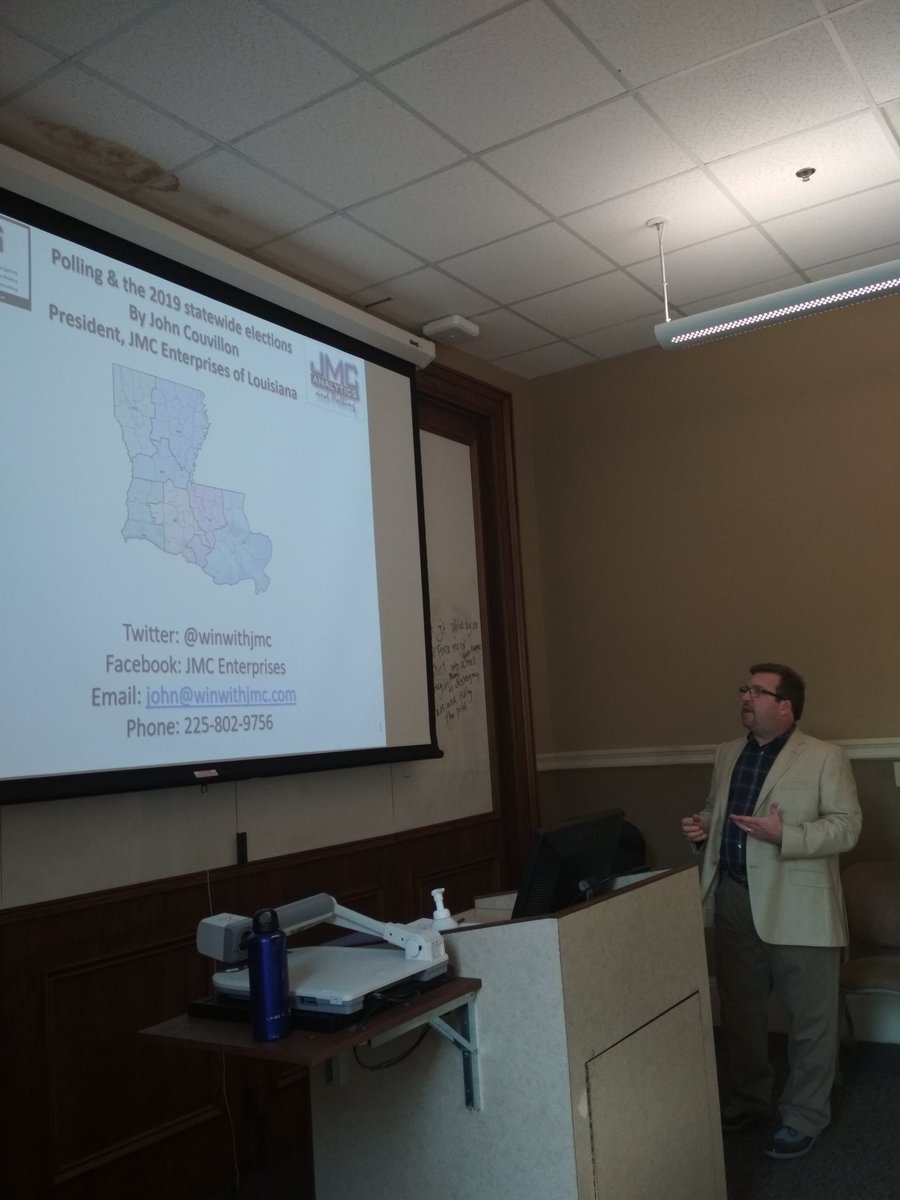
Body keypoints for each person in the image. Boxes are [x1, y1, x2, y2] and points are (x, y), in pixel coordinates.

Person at [682, 662, 861, 1161]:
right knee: (740, 1011)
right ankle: (748, 1101)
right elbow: (719, 809)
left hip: (799, 903)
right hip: (734, 899)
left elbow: (847, 827)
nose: (746, 696)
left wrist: (787, 835)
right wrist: (704, 825)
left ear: (786, 706)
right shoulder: (727, 753)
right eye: (745, 688)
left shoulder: (825, 756)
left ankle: (804, 1116)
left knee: (811, 1019)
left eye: (758, 691)